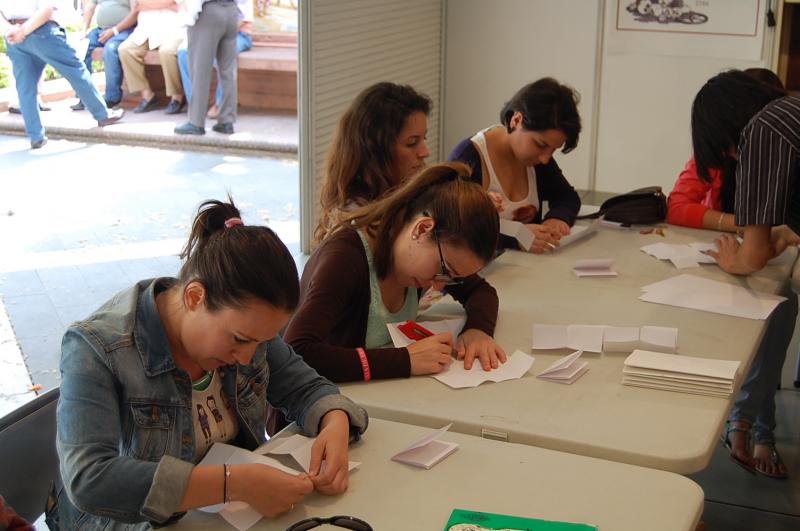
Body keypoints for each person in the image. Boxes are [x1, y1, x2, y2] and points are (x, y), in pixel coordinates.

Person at [46, 197, 368, 529]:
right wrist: (233, 484)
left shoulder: (248, 325)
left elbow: (307, 388)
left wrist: (335, 422)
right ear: (195, 297)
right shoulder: (97, 348)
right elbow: (90, 480)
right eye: (240, 340)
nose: (248, 356)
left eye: (261, 341)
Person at [285, 161, 506, 388]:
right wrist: (405, 360)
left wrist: (478, 330)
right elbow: (297, 351)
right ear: (422, 229)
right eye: (444, 270)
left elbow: (481, 291)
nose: (439, 287)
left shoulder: (422, 258)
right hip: (314, 413)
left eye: (453, 278)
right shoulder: (345, 258)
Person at [692, 69, 799, 479]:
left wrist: (732, 258)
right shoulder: (791, 113)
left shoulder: (764, 129)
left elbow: (752, 259)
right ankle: (752, 425)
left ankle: (743, 422)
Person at [448, 77, 582, 253]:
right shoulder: (468, 157)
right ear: (517, 120)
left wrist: (557, 218)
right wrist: (515, 237)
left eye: (553, 149)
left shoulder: (537, 160)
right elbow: (454, 226)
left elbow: (567, 197)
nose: (545, 159)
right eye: (541, 145)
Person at [666, 68, 785, 232]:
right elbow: (677, 207)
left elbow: (754, 253)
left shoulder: (783, 153)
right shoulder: (720, 149)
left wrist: (756, 232)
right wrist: (744, 226)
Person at [314, 82, 432, 242]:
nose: (425, 152)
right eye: (412, 142)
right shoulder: (358, 228)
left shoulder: (401, 201)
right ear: (375, 151)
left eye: (423, 138)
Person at [0, 0, 124, 149]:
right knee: (76, 71)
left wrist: (12, 31)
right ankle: (102, 114)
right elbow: (46, 10)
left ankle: (35, 135)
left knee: (25, 87)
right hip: (41, 31)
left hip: (14, 36)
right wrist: (23, 31)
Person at [175, 0, 253, 133]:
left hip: (208, 12)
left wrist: (188, 18)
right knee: (228, 71)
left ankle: (196, 122)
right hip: (231, 11)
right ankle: (226, 121)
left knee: (200, 69)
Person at [118, 0, 186, 114]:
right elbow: (135, 6)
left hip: (173, 28)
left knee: (166, 52)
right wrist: (165, 4)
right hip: (145, 30)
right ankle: (148, 96)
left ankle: (177, 97)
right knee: (126, 50)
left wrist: (147, 4)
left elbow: (177, 4)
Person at [71, 0, 138, 110]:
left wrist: (114, 31)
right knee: (82, 48)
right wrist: (83, 31)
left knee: (110, 50)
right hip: (101, 30)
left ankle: (112, 97)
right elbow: (90, 7)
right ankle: (85, 96)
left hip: (125, 29)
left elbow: (135, 12)